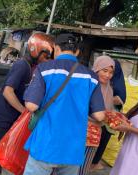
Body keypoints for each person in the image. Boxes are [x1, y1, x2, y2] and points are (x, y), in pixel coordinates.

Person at [23, 34, 105, 175]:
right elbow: (99, 115)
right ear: (77, 52)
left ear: (56, 48)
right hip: (72, 150)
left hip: (45, 145)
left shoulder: (44, 69)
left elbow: (31, 105)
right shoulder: (91, 77)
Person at [0, 32, 55, 175]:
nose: (47, 60)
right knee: (0, 156)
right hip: (3, 117)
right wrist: (24, 111)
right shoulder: (22, 65)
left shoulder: (33, 67)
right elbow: (8, 92)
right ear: (35, 50)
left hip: (10, 117)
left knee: (7, 155)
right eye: (46, 56)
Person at [90, 56, 124, 171]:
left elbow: (107, 109)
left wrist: (115, 116)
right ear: (97, 68)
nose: (108, 75)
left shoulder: (109, 89)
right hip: (82, 132)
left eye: (111, 72)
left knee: (86, 164)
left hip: (95, 134)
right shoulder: (88, 84)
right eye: (105, 71)